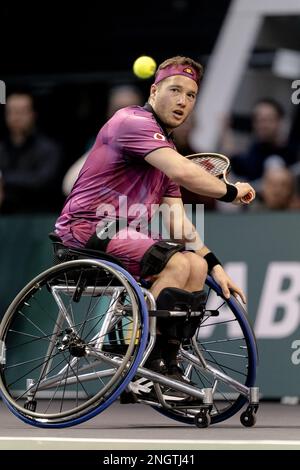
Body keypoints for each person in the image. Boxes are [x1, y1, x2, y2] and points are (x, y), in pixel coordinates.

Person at [54, 56, 255, 400]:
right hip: (85, 231)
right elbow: (185, 173)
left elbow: (178, 222)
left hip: (125, 240)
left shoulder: (165, 151)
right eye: (175, 90)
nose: (182, 101)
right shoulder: (130, 121)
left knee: (192, 263)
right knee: (177, 262)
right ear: (155, 89)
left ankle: (165, 363)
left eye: (190, 96)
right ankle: (143, 363)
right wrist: (232, 191)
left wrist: (214, 264)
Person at [62, 84, 144, 196]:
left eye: (132, 110)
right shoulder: (100, 143)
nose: (125, 117)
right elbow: (70, 187)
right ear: (109, 114)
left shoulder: (158, 144)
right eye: (118, 110)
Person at [0, 92, 62, 213]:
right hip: (5, 217)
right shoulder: (1, 148)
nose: (16, 117)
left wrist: (4, 179)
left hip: (38, 216)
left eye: (22, 112)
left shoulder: (48, 148)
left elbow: (42, 181)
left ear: (33, 114)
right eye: (11, 112)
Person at [220, 98, 297, 182]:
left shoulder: (292, 151)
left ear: (280, 121)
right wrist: (225, 130)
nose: (262, 125)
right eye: (257, 119)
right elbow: (234, 162)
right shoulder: (255, 151)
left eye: (268, 119)